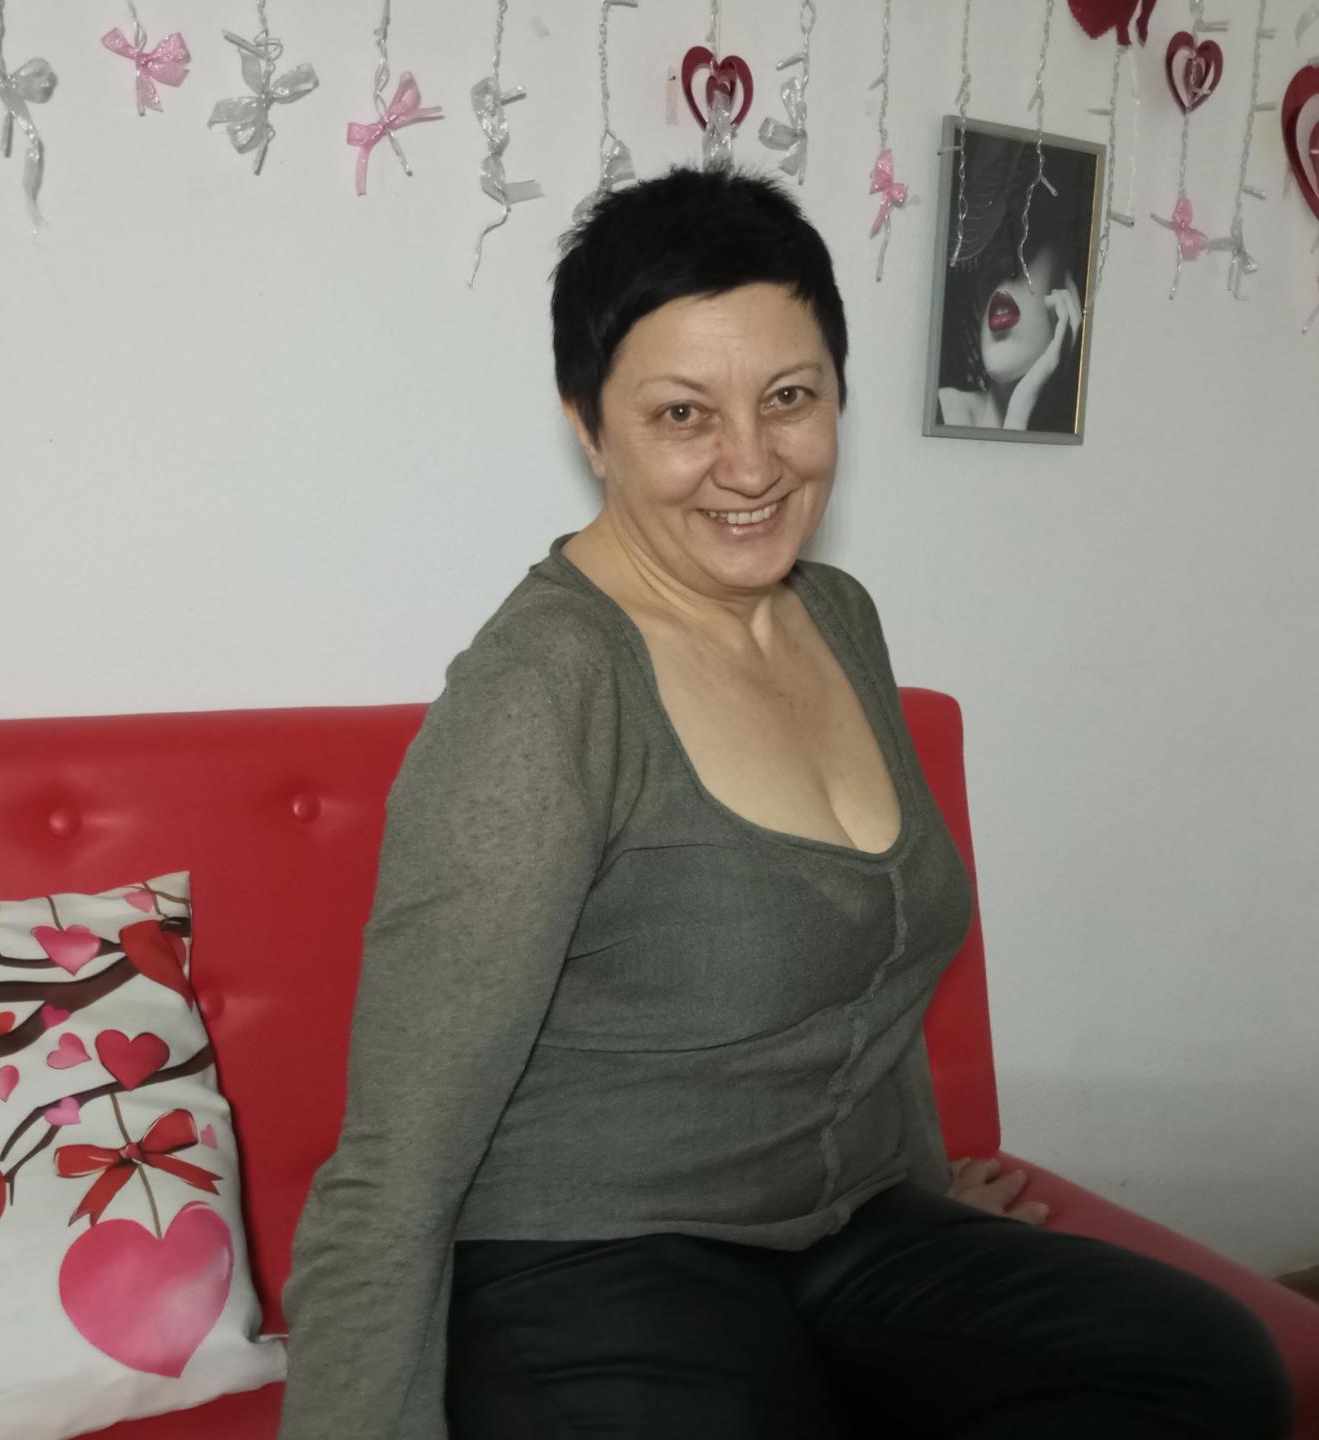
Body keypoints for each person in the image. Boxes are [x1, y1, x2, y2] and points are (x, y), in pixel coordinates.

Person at [278, 168, 1290, 1439]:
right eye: (683, 413)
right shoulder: (542, 694)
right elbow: (393, 1161)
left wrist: (924, 1194)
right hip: (586, 1258)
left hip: (842, 1231)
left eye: (790, 398)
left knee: (1207, 1367)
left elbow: (875, 957)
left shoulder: (837, 616)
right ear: (591, 428)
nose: (751, 462)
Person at [936, 133, 1089, 433]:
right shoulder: (938, 410)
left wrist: (1018, 415)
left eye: (1025, 237)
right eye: (990, 249)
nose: (1001, 264)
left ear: (1072, 284)